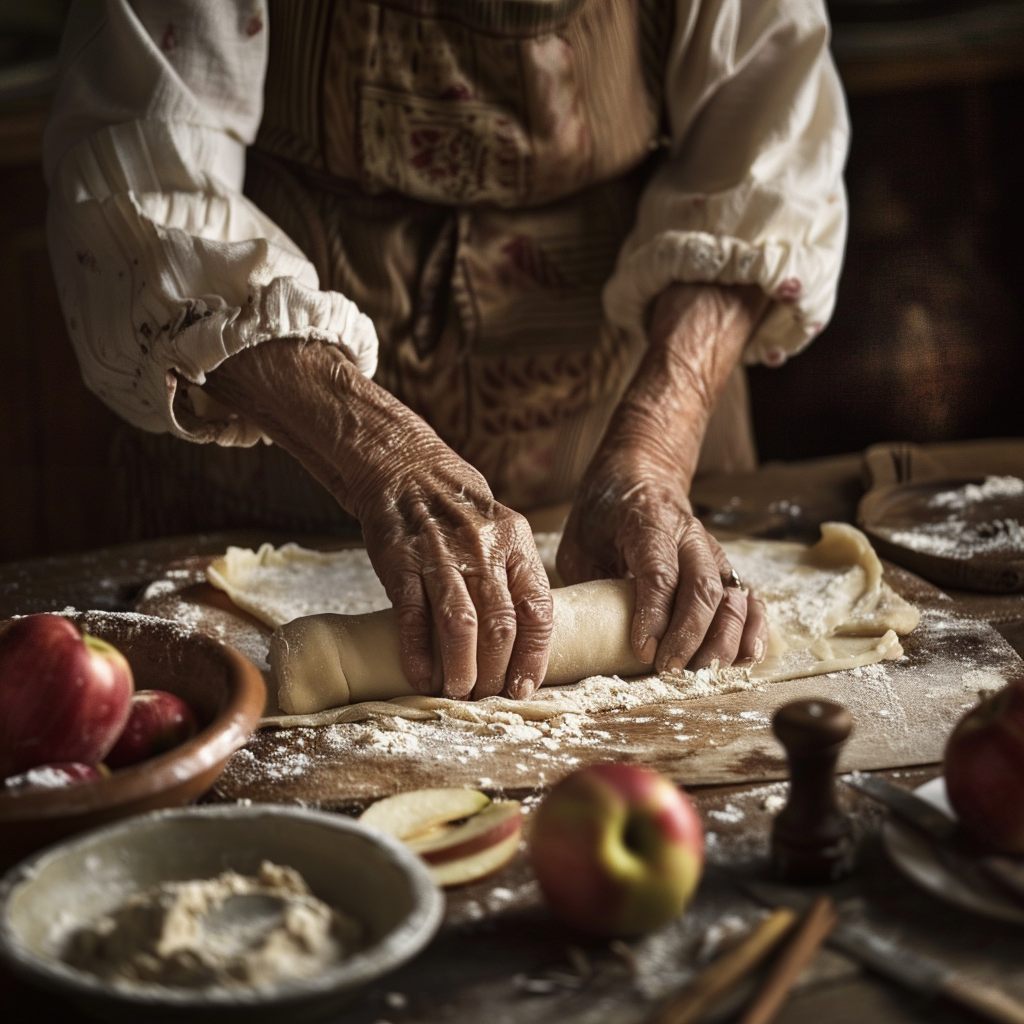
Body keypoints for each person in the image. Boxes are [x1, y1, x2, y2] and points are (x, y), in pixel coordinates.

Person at [44, 0, 849, 702]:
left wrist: (655, 450)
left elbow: (768, 145)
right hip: (273, 407)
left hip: (616, 396)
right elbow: (143, 165)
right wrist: (379, 452)